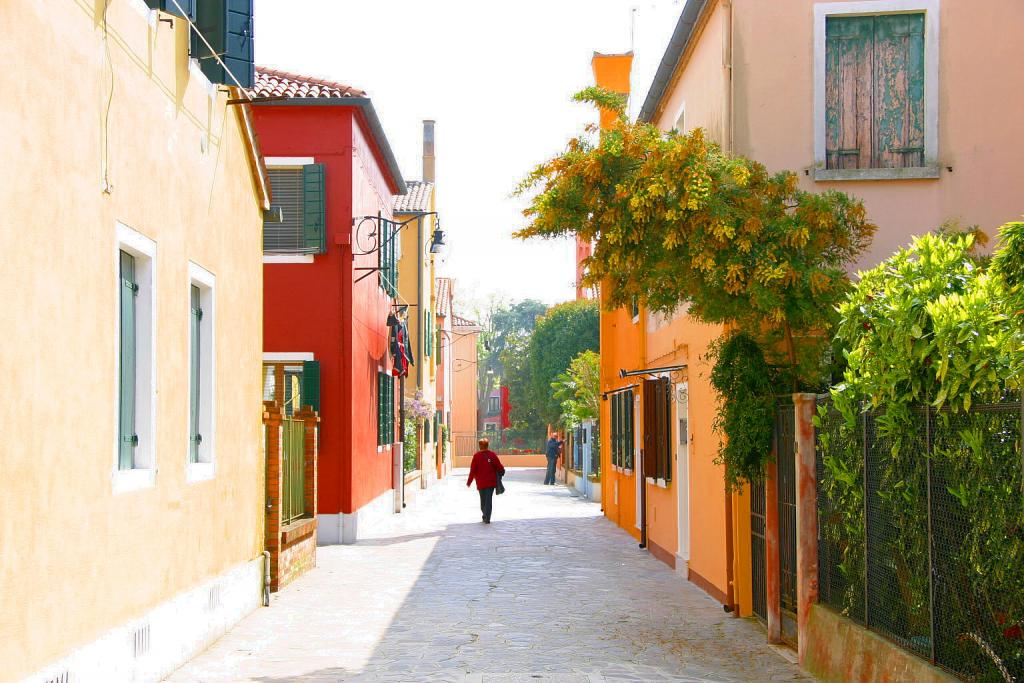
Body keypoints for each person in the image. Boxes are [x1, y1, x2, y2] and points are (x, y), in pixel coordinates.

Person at [467, 438, 505, 524]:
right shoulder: (492, 455)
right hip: (491, 482)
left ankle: (485, 515)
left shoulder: (476, 456)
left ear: (480, 446)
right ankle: (487, 516)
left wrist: (469, 482)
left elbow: (472, 470)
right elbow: (499, 466)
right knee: (489, 500)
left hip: (480, 482)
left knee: (483, 500)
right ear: (488, 445)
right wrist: (502, 471)